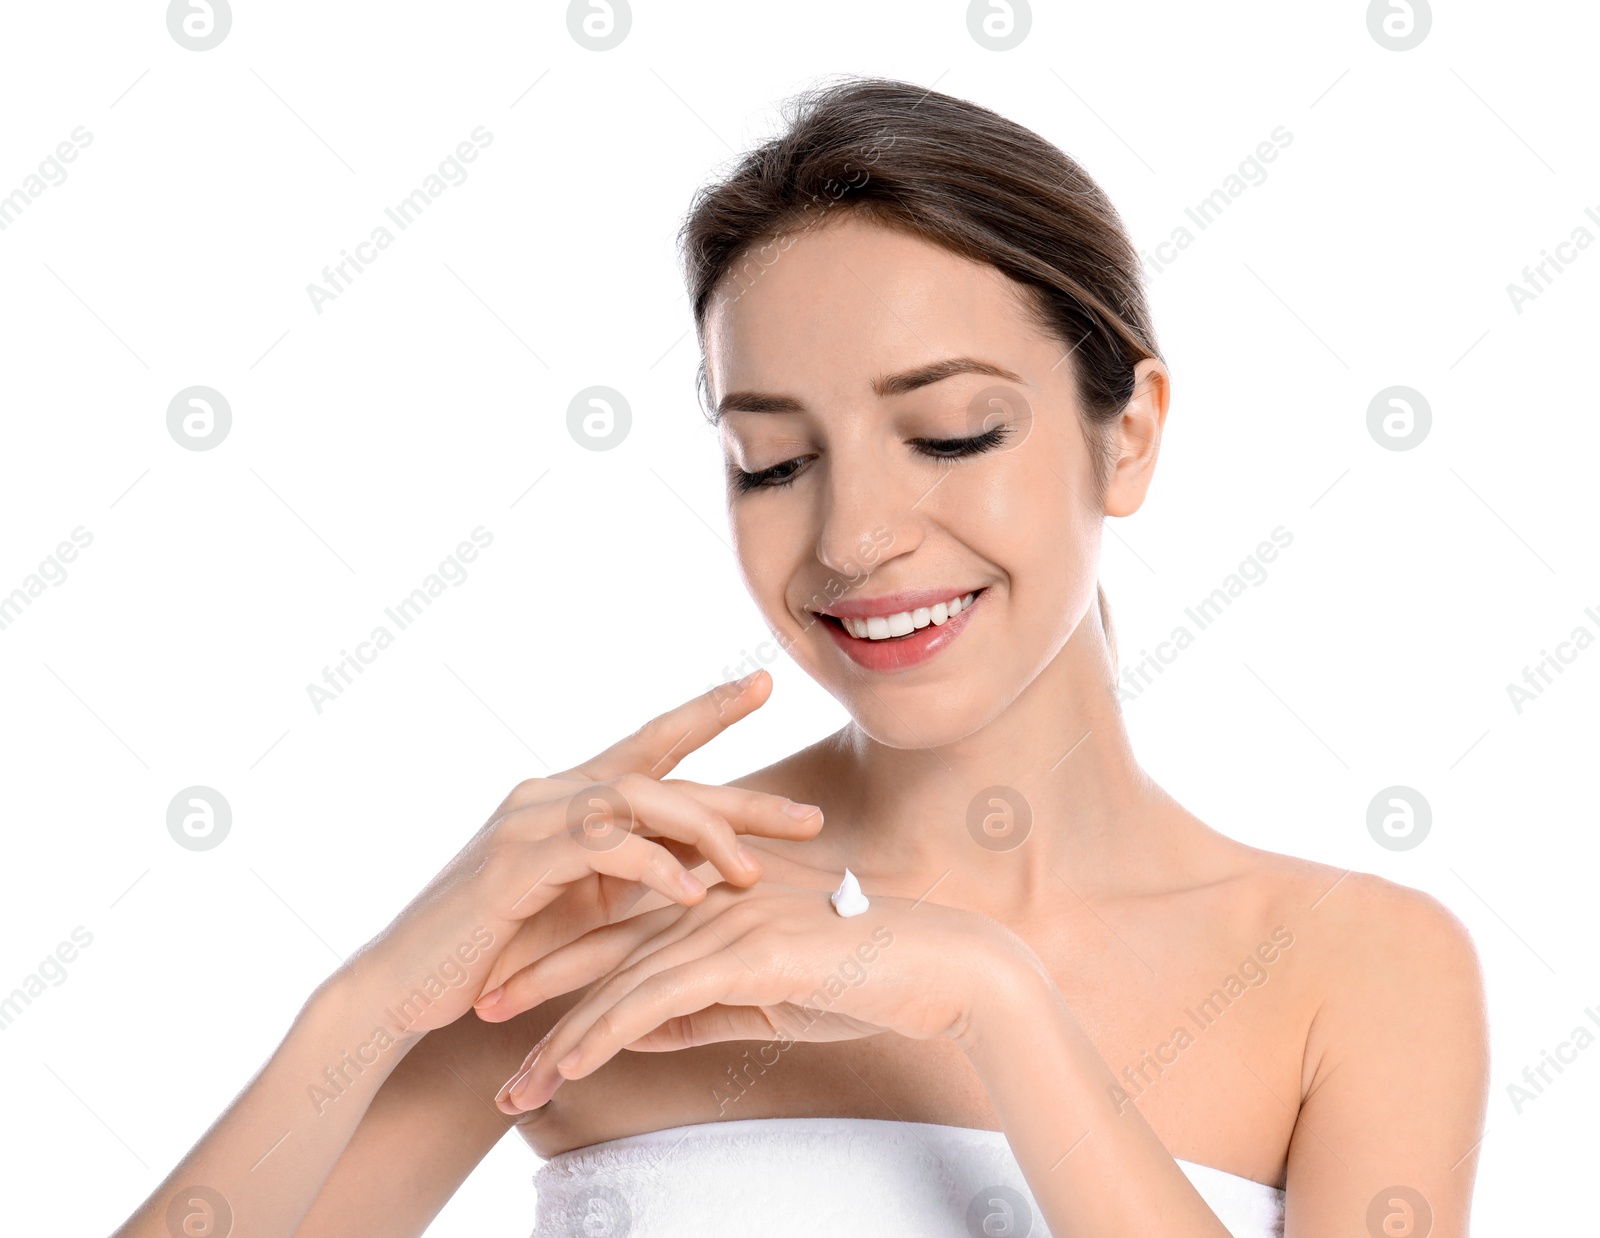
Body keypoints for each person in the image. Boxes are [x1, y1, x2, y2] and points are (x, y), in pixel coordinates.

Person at [114, 76, 1488, 1238]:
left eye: (950, 431)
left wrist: (993, 1001)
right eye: (771, 459)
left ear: (1126, 433)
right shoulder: (616, 923)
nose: (858, 536)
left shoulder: (1352, 968)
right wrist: (363, 999)